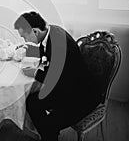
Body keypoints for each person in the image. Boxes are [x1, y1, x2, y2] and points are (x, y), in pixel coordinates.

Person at [12, 11, 102, 141]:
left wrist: (34, 72)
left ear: (35, 31)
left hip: (81, 94)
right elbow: (48, 57)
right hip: (65, 86)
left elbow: (52, 77)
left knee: (49, 122)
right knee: (31, 102)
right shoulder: (50, 31)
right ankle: (49, 135)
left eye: (25, 37)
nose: (25, 40)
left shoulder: (58, 43)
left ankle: (49, 134)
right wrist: (29, 50)